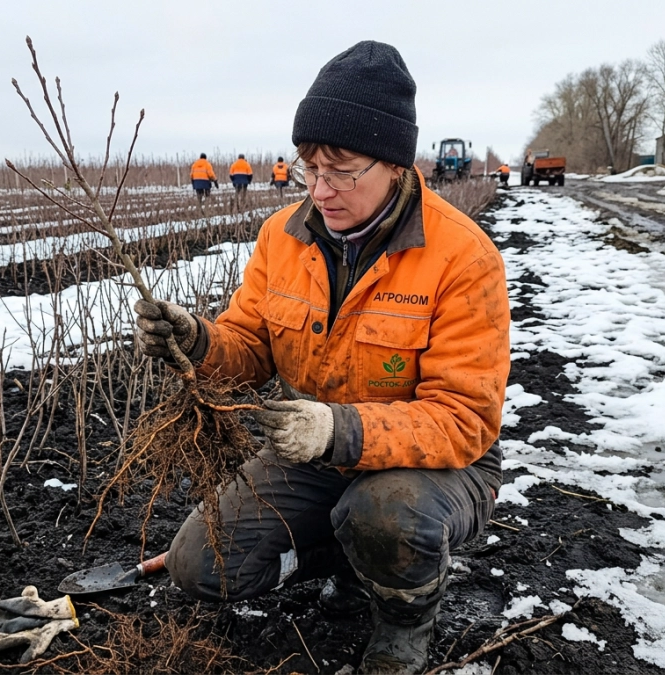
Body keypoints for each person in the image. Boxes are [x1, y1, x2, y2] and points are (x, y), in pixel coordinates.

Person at [135, 40, 508, 674]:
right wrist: (197, 342)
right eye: (309, 166)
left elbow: (465, 418)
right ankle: (349, 557)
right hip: (316, 452)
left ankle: (403, 617)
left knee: (386, 514)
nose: (320, 189)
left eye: (341, 169)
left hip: (435, 468)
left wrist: (341, 429)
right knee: (202, 568)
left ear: (393, 163)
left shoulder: (462, 258)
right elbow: (248, 347)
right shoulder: (283, 237)